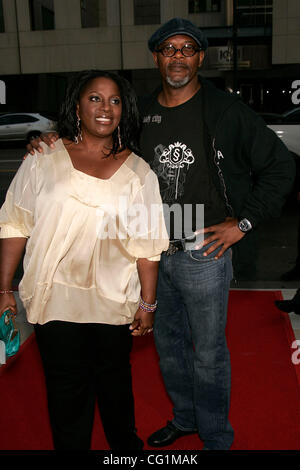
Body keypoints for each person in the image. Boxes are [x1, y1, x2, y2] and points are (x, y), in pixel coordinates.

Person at [25, 18, 295, 451]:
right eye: (169, 49)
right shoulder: (140, 112)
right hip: (147, 255)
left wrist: (242, 223)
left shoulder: (225, 110)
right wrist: (54, 138)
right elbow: (101, 140)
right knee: (167, 348)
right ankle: (185, 418)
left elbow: (281, 167)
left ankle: (215, 436)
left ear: (200, 58)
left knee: (207, 353)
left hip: (202, 253)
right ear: (156, 57)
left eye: (187, 49)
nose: (178, 57)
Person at [0, 69, 168, 451]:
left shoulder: (139, 174)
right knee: (65, 397)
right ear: (78, 106)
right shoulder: (42, 158)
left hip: (112, 302)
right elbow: (14, 222)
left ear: (124, 110)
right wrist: (4, 287)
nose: (105, 108)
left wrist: (148, 302)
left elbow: (147, 246)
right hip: (55, 299)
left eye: (114, 100)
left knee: (115, 391)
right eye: (95, 98)